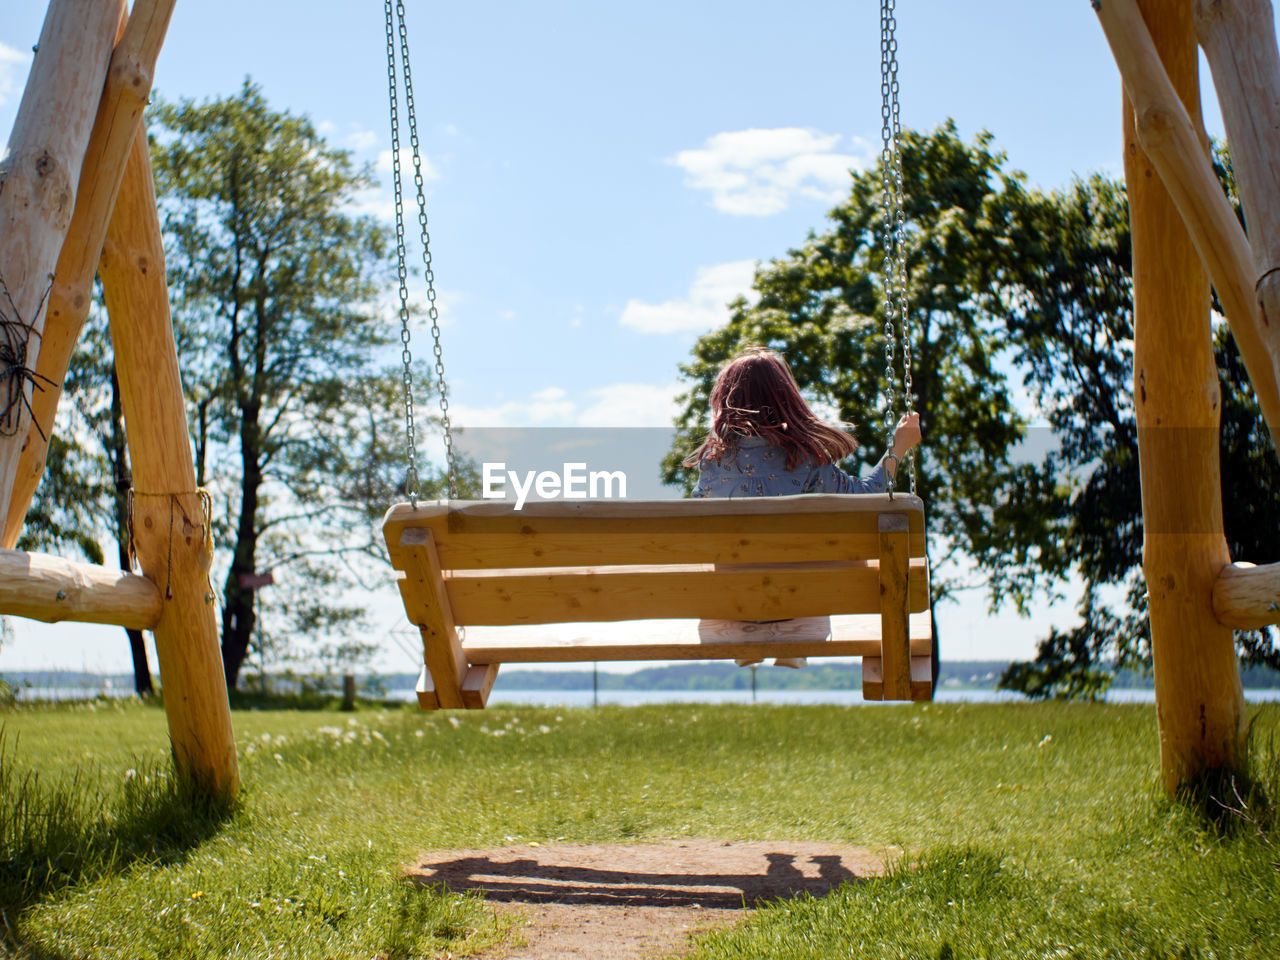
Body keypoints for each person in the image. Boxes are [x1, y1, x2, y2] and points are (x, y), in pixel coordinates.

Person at [685, 346, 922, 668]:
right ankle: (792, 642)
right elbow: (866, 495)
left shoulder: (712, 462)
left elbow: (697, 522)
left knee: (724, 553)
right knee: (835, 554)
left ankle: (748, 640)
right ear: (787, 398)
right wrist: (899, 447)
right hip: (802, 612)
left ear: (727, 400)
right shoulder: (807, 460)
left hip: (728, 614)